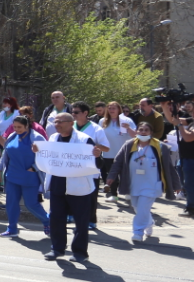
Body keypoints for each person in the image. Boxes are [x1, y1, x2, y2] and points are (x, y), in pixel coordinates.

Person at [35, 114, 104, 262]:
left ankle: (80, 252)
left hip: (79, 187)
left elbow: (97, 165)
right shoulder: (53, 138)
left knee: (81, 221)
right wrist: (38, 151)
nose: (57, 124)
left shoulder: (84, 139)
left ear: (71, 123)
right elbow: (47, 158)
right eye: (55, 122)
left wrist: (97, 156)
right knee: (56, 219)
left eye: (60, 122)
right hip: (57, 185)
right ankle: (57, 249)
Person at [106, 122, 178, 243]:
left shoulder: (160, 147)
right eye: (141, 130)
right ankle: (149, 222)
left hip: (152, 184)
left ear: (151, 133)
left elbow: (169, 167)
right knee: (138, 208)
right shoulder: (129, 145)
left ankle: (137, 232)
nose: (143, 132)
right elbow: (117, 162)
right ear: (137, 131)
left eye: (146, 130)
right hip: (134, 184)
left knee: (143, 207)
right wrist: (111, 176)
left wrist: (176, 185)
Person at [0, 116, 49, 238]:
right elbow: (5, 154)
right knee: (11, 203)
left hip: (29, 176)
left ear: (27, 126)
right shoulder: (12, 136)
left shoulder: (37, 137)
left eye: (19, 127)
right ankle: (12, 228)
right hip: (12, 176)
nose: (16, 129)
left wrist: (34, 167)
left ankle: (48, 221)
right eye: (14, 127)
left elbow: (46, 156)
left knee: (31, 204)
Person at [68, 101, 110, 230]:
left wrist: (92, 146)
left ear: (85, 113)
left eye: (76, 112)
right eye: (72, 112)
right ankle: (70, 215)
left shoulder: (96, 128)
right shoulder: (70, 126)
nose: (73, 114)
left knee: (90, 194)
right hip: (72, 165)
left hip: (90, 166)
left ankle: (91, 220)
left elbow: (106, 147)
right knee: (70, 191)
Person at [98, 101, 136, 197]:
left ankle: (127, 192)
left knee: (125, 174)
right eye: (109, 108)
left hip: (124, 152)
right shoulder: (103, 121)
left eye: (113, 108)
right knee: (111, 174)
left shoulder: (127, 120)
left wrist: (128, 128)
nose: (111, 110)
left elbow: (135, 136)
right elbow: (98, 136)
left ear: (119, 109)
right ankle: (114, 195)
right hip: (108, 153)